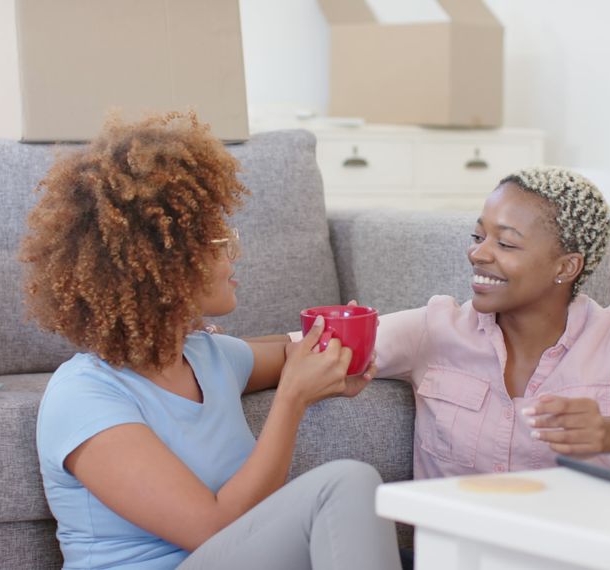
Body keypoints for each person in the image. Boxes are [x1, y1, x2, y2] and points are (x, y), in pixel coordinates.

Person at [20, 113, 402, 569]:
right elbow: (215, 528)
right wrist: (292, 399)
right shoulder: (84, 395)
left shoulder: (208, 358)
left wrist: (344, 355)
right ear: (166, 264)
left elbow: (291, 351)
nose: (232, 254)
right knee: (346, 484)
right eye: (218, 241)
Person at [356, 167, 610, 480]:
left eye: (506, 243)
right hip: (455, 549)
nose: (478, 254)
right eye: (479, 237)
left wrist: (607, 432)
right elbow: (314, 349)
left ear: (566, 267)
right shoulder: (434, 328)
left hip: (569, 545)